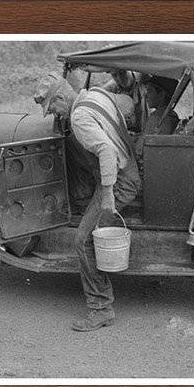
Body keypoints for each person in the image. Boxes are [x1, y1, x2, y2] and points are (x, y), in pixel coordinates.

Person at [34, 72, 141, 332]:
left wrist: (106, 196)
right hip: (128, 170)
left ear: (61, 97)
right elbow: (124, 108)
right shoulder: (96, 95)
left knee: (83, 239)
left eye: (54, 108)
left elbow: (105, 150)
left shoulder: (79, 117)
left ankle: (100, 308)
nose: (57, 115)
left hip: (121, 181)